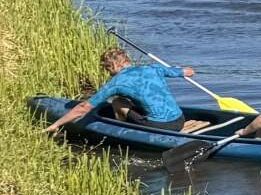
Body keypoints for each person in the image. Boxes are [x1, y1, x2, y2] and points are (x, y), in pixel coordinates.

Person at [44, 48, 211, 136]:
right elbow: (188, 72)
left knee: (118, 102)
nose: (109, 73)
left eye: (108, 69)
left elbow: (84, 107)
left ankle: (122, 130)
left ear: (113, 65)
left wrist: (56, 125)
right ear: (127, 61)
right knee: (137, 101)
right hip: (180, 120)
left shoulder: (117, 82)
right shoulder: (154, 68)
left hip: (162, 126)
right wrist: (183, 70)